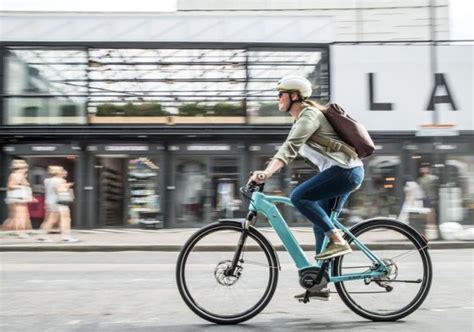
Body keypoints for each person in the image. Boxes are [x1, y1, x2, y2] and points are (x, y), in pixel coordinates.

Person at [248, 76, 364, 301]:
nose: (277, 98)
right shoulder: (302, 119)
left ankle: (337, 240)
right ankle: (321, 282)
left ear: (294, 96)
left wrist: (267, 172)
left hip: (345, 172)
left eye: (280, 94)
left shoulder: (309, 116)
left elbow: (289, 148)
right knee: (320, 222)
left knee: (299, 197)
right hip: (343, 172)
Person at [38, 166, 79, 243]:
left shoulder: (47, 180)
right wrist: (68, 187)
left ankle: (42, 235)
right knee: (65, 219)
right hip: (59, 202)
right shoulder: (61, 181)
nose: (64, 171)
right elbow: (60, 190)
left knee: (51, 220)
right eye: (62, 170)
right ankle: (65, 237)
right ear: (58, 172)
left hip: (50, 201)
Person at [2, 159, 33, 238]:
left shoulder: (19, 175)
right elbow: (10, 185)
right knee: (19, 216)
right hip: (17, 198)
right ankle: (20, 231)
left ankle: (9, 231)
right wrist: (21, 186)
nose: (26, 170)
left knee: (17, 216)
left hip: (20, 198)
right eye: (25, 168)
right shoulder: (14, 175)